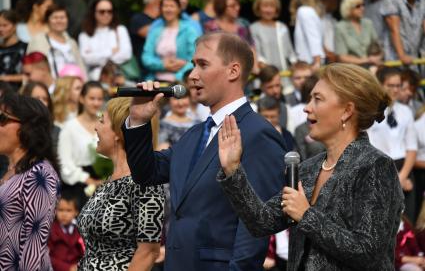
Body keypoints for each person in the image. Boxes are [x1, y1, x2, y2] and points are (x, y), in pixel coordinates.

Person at [216, 63, 404, 270]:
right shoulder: (307, 168)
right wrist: (233, 170)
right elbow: (261, 222)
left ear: (347, 111)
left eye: (318, 99)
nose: (307, 107)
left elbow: (368, 251)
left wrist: (306, 216)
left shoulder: (375, 166)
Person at [123, 32, 286, 270]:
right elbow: (146, 173)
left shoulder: (258, 133)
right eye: (192, 65)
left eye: (203, 65)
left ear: (233, 71)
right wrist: (138, 121)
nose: (193, 75)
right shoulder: (194, 134)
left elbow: (256, 225)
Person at [78, 97, 164, 270]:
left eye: (102, 121)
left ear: (118, 131)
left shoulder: (144, 182)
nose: (96, 126)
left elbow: (149, 252)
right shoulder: (109, 180)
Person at [0, 93, 60, 270]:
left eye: (2, 118)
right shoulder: (14, 172)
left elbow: (34, 248)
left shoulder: (39, 175)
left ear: (28, 127)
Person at [368, 67, 418, 222]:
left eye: (398, 85)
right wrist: (392, 179)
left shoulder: (405, 111)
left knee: (408, 220)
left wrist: (402, 176)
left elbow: (411, 147)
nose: (395, 90)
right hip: (379, 167)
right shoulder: (370, 111)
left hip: (403, 168)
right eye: (391, 85)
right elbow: (367, 145)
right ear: (381, 85)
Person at [57, 81, 104, 210]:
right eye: (92, 98)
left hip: (105, 184)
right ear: (82, 99)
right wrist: (88, 180)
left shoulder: (105, 123)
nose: (96, 103)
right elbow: (65, 163)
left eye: (99, 99)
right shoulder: (70, 127)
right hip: (78, 189)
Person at [142, 0, 198, 82]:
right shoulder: (155, 31)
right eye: (165, 6)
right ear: (161, 9)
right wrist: (162, 65)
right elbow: (146, 57)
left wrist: (179, 77)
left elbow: (195, 59)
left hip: (180, 81)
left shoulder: (189, 31)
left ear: (179, 9)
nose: (168, 9)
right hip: (155, 80)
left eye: (172, 6)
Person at [27, 4, 87, 79]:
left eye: (62, 18)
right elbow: (31, 69)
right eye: (55, 18)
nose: (59, 21)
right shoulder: (39, 41)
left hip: (73, 86)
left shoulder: (72, 43)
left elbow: (81, 67)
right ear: (48, 20)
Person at [79, 0, 132, 80]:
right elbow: (86, 59)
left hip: (118, 78)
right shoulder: (84, 35)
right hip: (94, 79)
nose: (106, 14)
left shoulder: (120, 30)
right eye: (102, 12)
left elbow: (126, 54)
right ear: (94, 13)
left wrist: (97, 57)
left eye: (109, 11)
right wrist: (111, 51)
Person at [250, 0, 296, 72]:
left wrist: (295, 65)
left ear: (276, 9)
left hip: (285, 74)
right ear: (258, 8)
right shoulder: (253, 28)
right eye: (265, 6)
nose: (268, 10)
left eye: (272, 6)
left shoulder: (282, 27)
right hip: (266, 75)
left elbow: (290, 52)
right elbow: (256, 54)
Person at [380, 0, 425, 66]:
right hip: (393, 59)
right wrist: (402, 55)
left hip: (415, 59)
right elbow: (394, 30)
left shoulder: (423, 0)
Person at [335, 0, 381, 66]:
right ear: (348, 8)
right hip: (352, 69)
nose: (362, 8)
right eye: (358, 6)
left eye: (363, 5)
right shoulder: (340, 27)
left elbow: (378, 46)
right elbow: (342, 57)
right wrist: (367, 60)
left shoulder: (368, 23)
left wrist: (377, 57)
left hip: (371, 67)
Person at [289, 0, 325, 71]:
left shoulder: (304, 11)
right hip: (311, 61)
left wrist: (317, 62)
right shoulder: (311, 12)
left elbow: (313, 36)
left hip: (310, 62)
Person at [48, 191, 85, 271]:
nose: (64, 214)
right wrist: (67, 268)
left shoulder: (79, 229)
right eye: (60, 210)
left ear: (76, 212)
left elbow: (83, 252)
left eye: (68, 210)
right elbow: (46, 256)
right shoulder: (51, 230)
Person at [129, 0, 165, 70]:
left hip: (162, 67)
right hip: (143, 70)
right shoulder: (138, 19)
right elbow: (153, 35)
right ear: (156, 0)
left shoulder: (161, 21)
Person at [0, 9, 27, 90]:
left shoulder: (25, 48)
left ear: (15, 26)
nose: (1, 29)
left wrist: (4, 78)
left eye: (5, 25)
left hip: (17, 94)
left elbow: (29, 76)